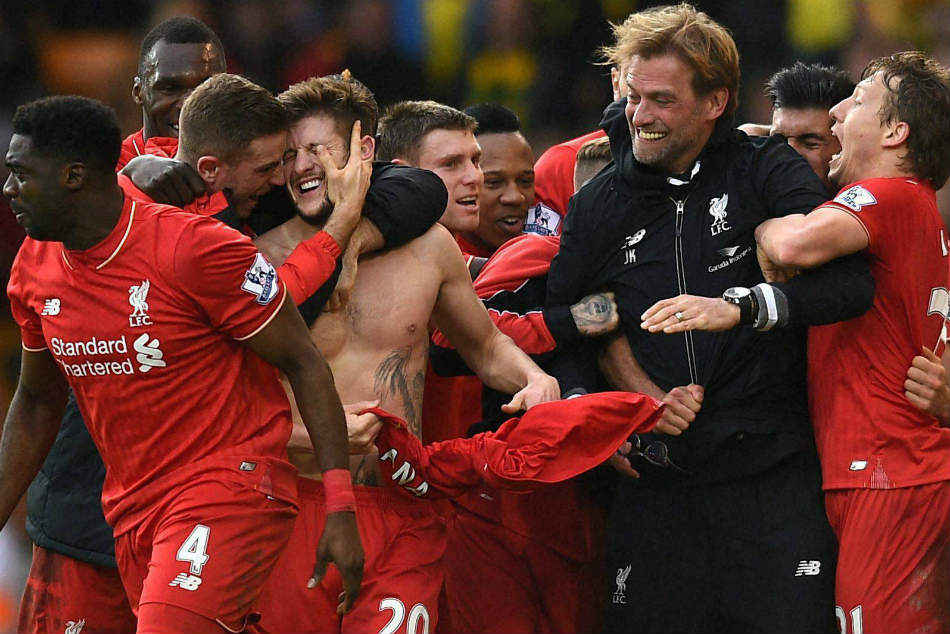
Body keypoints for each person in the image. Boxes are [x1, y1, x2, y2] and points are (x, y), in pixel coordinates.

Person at [546, 5, 876, 632]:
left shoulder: (765, 169)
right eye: (635, 96)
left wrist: (745, 307)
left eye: (663, 100)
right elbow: (559, 321)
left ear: (715, 101)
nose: (640, 116)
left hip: (770, 476)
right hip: (655, 486)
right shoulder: (598, 203)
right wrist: (597, 406)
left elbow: (850, 285)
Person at [1, 95, 363, 633]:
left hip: (230, 487)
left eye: (20, 174)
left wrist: (340, 505)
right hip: (131, 510)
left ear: (73, 177)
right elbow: (35, 403)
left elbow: (303, 362)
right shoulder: (36, 265)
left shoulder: (195, 249)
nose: (8, 190)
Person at [249, 73, 560, 634]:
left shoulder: (430, 247)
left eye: (318, 149)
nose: (301, 167)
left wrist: (533, 380)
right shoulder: (255, 260)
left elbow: (485, 344)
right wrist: (312, 434)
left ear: (364, 151)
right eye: (290, 154)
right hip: (289, 503)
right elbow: (225, 405)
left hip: (401, 508)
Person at [751, 52, 949, 634]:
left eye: (857, 101)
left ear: (896, 132)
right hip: (882, 471)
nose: (839, 111)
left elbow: (792, 249)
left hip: (889, 473)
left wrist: (763, 221)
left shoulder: (887, 196)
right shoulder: (918, 212)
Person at [119, 16, 226, 171]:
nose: (188, 104)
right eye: (170, 89)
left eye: (205, 88)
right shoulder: (108, 173)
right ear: (138, 92)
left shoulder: (252, 167)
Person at [459, 102, 540, 254]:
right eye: (494, 182)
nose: (515, 198)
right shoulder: (425, 263)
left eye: (525, 181)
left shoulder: (550, 256)